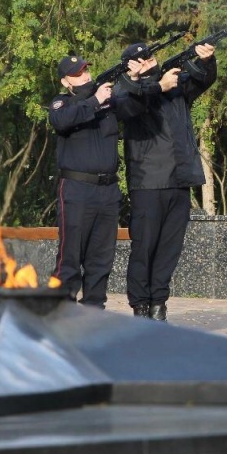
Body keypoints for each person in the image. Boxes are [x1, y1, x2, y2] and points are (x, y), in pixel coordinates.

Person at [115, 40, 217, 320]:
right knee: (144, 247)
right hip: (148, 181)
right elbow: (125, 106)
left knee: (170, 248)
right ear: (130, 66)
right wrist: (155, 86)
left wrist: (207, 60)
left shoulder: (175, 83)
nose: (148, 60)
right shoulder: (126, 90)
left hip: (180, 178)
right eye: (140, 59)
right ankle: (140, 305)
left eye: (150, 55)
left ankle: (158, 303)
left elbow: (202, 80)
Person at [48, 54, 130, 308]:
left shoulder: (108, 100)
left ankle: (94, 312)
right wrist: (95, 101)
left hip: (107, 190)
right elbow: (61, 121)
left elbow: (135, 104)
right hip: (77, 189)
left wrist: (136, 77)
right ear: (65, 82)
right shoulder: (63, 103)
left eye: (85, 70)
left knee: (101, 259)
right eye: (77, 74)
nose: (84, 76)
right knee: (70, 256)